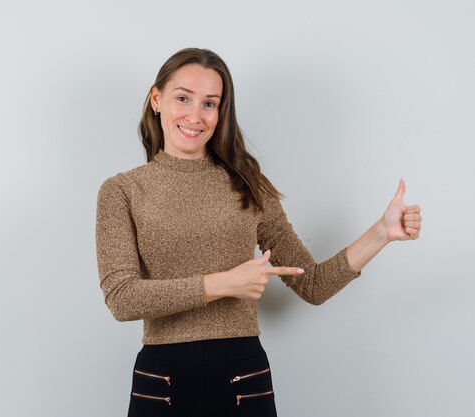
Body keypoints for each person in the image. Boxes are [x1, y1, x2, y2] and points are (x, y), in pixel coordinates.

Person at [95, 48, 421, 417]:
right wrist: (223, 284)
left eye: (209, 103)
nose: (194, 115)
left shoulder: (249, 186)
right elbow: (121, 299)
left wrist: (382, 232)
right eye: (182, 98)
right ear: (157, 99)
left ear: (221, 112)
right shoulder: (122, 190)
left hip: (242, 376)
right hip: (162, 380)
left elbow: (312, 284)